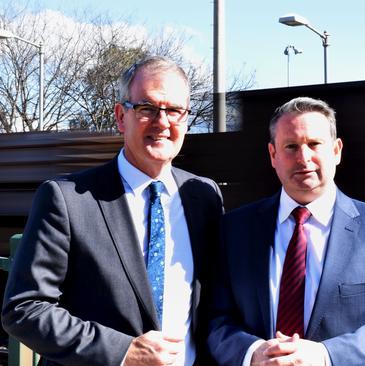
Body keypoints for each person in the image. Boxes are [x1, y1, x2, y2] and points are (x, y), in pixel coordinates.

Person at [2, 56, 223, 366]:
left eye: (174, 111)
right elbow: (24, 309)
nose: (162, 122)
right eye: (147, 109)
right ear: (121, 116)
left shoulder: (204, 196)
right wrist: (123, 352)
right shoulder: (68, 199)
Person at [207, 97, 365, 365]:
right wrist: (252, 352)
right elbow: (215, 318)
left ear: (336, 150)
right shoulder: (235, 229)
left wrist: (326, 356)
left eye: (314, 144)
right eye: (291, 146)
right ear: (273, 155)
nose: (304, 158)